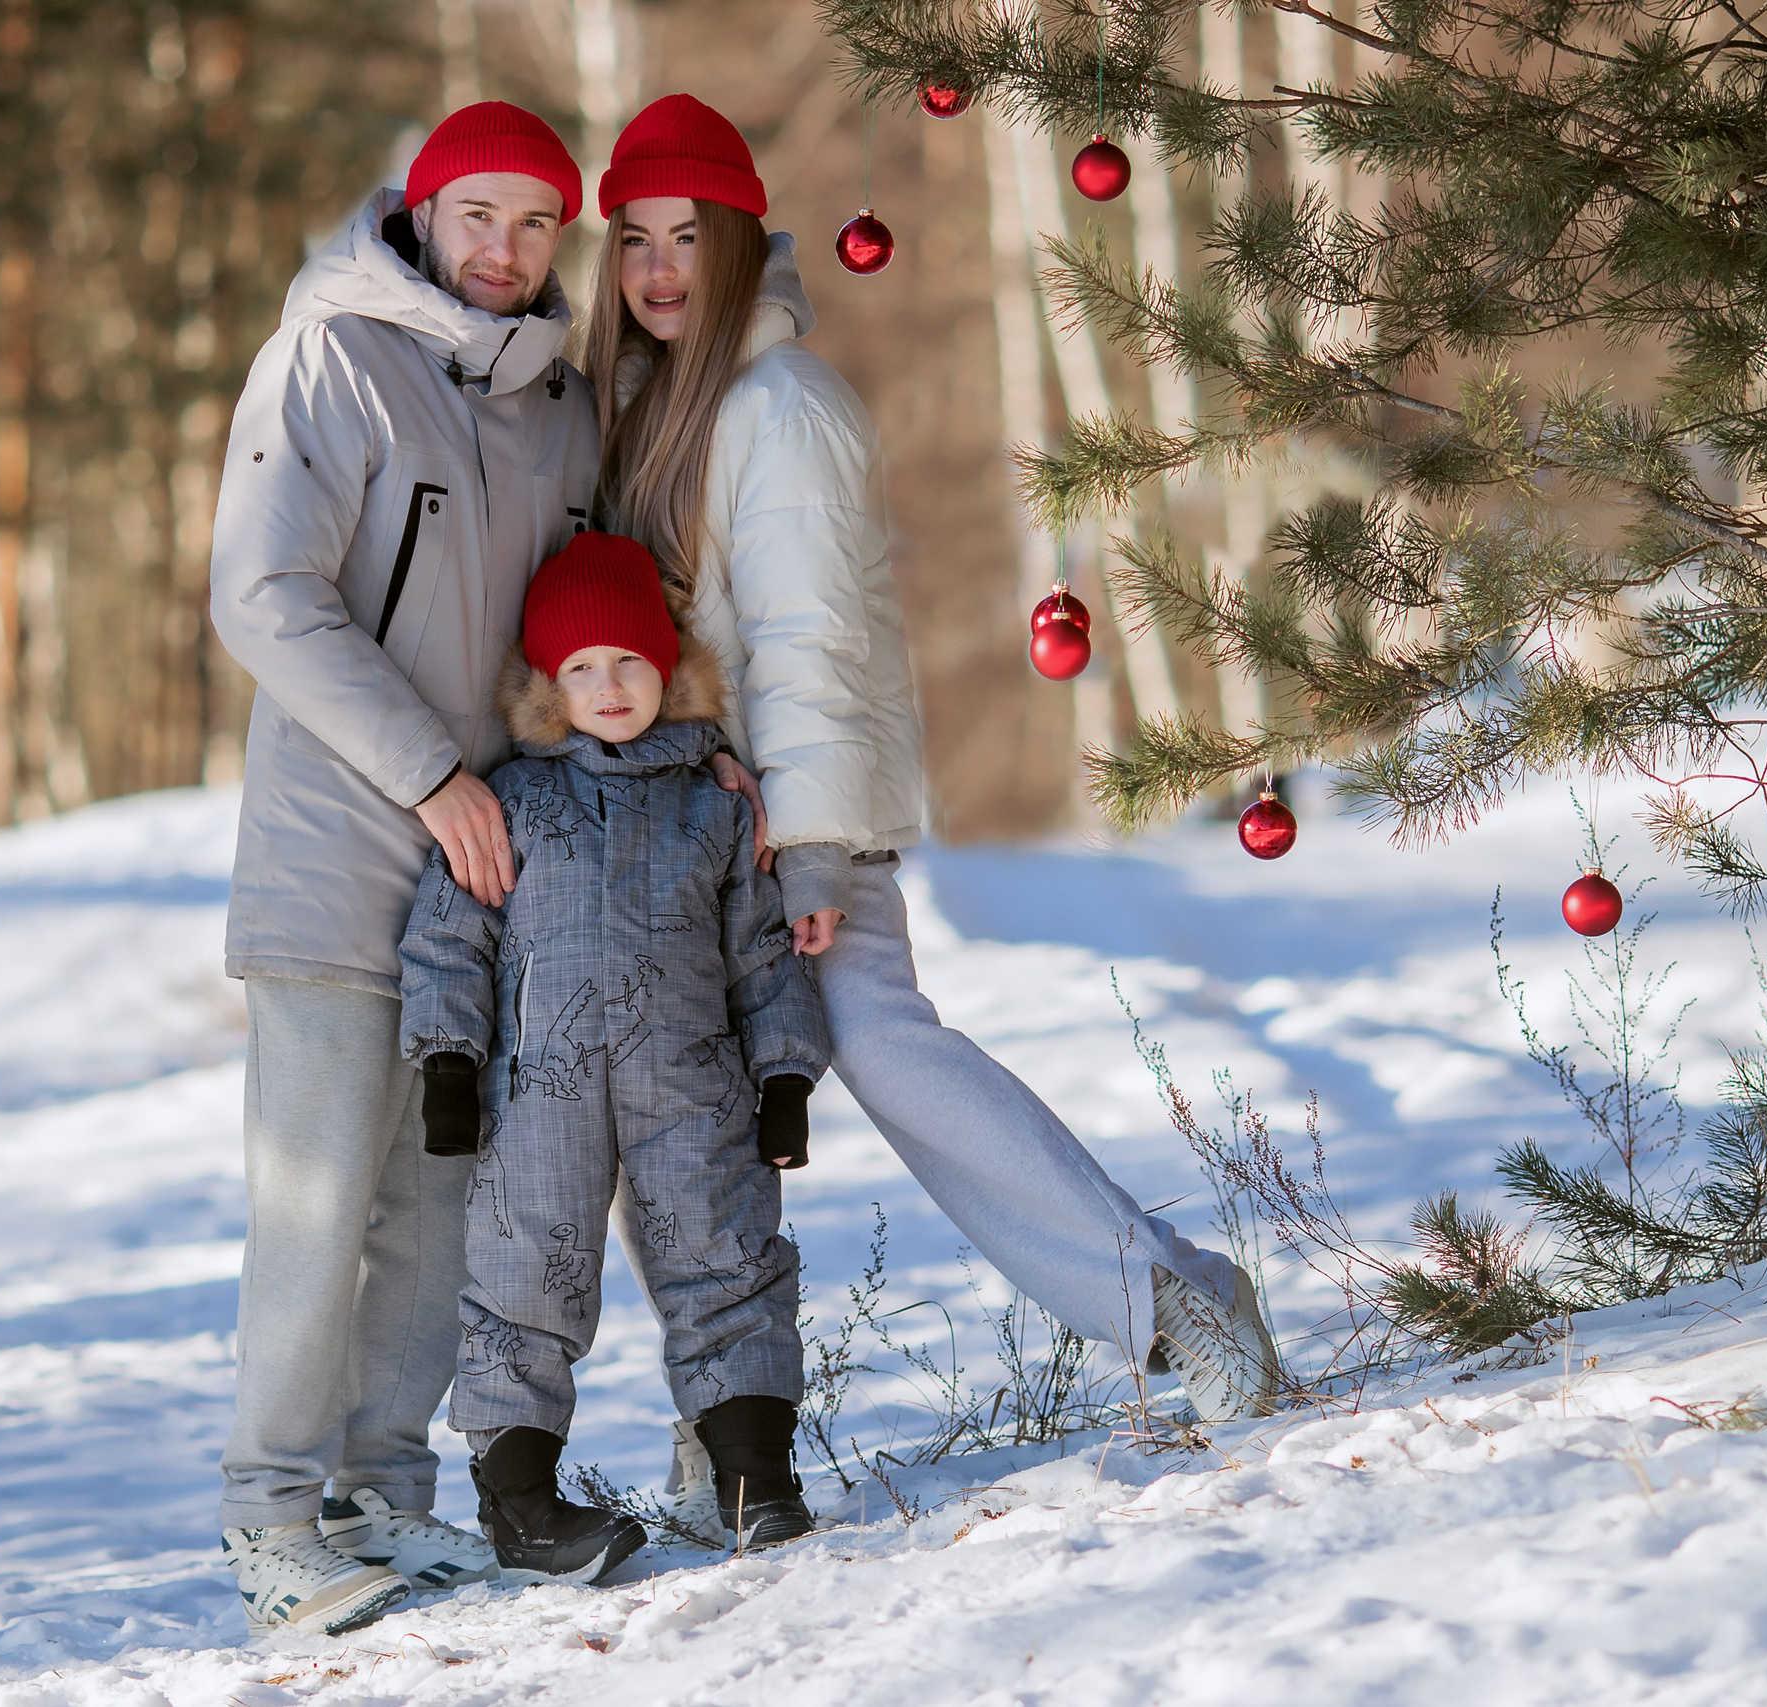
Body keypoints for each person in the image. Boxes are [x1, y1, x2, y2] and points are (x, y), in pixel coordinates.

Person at [580, 95, 1283, 1526]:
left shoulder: (778, 404)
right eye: (635, 240)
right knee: (681, 1117)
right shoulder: (647, 403)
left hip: (792, 823)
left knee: (882, 1043)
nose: (659, 269)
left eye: (686, 237)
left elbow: (813, 637)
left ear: (734, 244)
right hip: (691, 829)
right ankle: (721, 1426)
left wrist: (818, 833)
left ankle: (1175, 1300)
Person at [205, 100, 600, 1637]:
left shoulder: (561, 402)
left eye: (534, 224)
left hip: (480, 878)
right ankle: (269, 1519)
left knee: (435, 1203)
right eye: (477, 217)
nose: (502, 253)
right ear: (423, 214)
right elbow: (263, 593)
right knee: (313, 1197)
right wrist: (430, 771)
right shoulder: (331, 357)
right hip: (333, 846)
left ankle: (385, 1499)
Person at [396, 531, 832, 1578]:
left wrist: (783, 1076)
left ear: (667, 670)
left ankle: (753, 1478)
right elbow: (449, 938)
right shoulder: (512, 802)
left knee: (725, 1258)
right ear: (547, 686)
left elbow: (761, 952)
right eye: (580, 668)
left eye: (629, 662)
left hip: (693, 1084)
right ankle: (521, 1502)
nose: (607, 686)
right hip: (535, 1094)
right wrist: (448, 1064)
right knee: (524, 1278)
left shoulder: (713, 809)